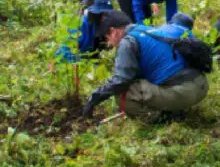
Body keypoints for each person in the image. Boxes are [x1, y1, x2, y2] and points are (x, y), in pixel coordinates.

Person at [82, 11, 210, 122]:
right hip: (200, 84)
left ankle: (162, 117)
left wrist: (95, 98)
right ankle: (174, 107)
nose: (109, 43)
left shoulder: (127, 42)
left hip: (185, 91)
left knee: (124, 94)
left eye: (107, 37)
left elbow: (121, 80)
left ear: (113, 31)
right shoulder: (144, 29)